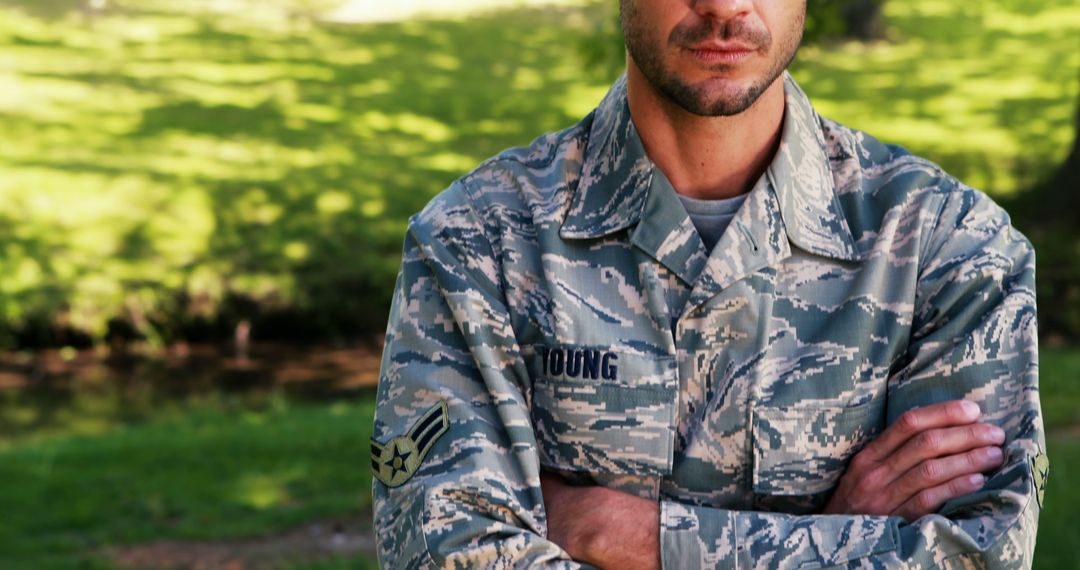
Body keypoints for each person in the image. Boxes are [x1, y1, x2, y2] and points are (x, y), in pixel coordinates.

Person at [370, 0, 1046, 567]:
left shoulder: (946, 245)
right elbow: (447, 551)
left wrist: (607, 530)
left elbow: (974, 555)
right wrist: (833, 538)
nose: (725, 6)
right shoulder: (478, 240)